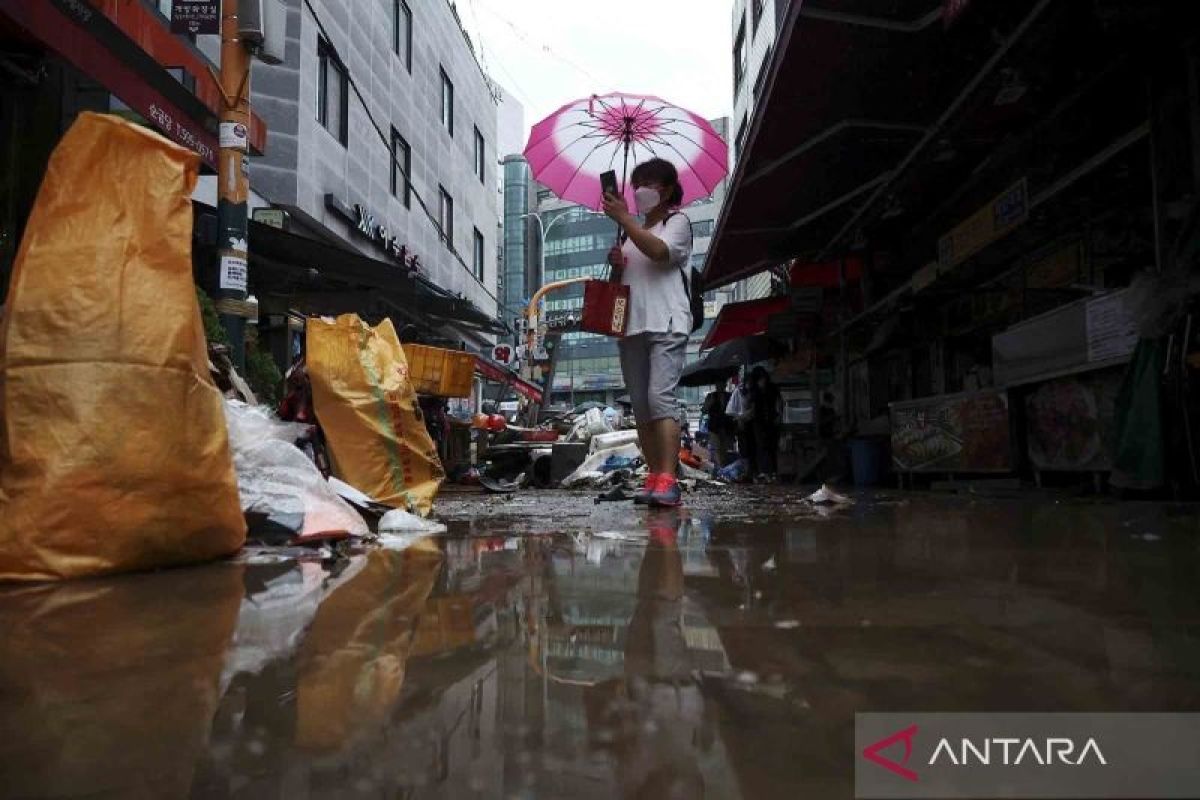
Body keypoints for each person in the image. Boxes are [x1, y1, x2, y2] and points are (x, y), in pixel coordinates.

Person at [602, 158, 694, 507]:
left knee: (660, 399)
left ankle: (669, 478)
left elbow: (660, 253)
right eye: (636, 183)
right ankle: (655, 475)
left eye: (649, 183)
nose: (640, 191)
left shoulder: (678, 222)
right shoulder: (629, 235)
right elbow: (621, 284)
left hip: (667, 322)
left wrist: (624, 218)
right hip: (632, 325)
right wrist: (616, 265)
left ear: (667, 189)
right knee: (640, 406)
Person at [748, 366, 782, 482]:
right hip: (759, 422)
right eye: (760, 379)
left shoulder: (772, 388)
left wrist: (779, 415)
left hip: (771, 420)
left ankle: (773, 472)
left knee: (772, 447)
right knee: (762, 446)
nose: (763, 381)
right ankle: (765, 472)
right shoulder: (754, 391)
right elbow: (752, 407)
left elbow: (778, 402)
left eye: (763, 378)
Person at [701, 380, 733, 467]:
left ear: (725, 385)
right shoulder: (710, 396)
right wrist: (709, 403)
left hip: (727, 427)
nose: (720, 385)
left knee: (726, 449)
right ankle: (720, 468)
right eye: (718, 383)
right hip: (714, 427)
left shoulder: (730, 396)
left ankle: (725, 467)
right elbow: (704, 411)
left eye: (722, 383)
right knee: (717, 448)